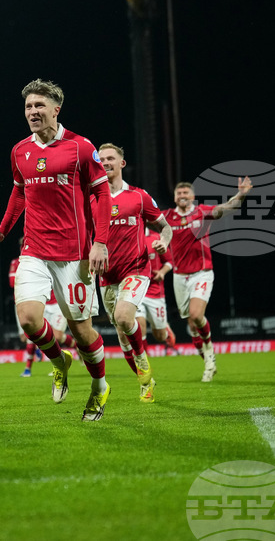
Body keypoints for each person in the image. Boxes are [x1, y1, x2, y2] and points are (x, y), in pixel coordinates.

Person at [0, 79, 113, 422]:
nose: (33, 112)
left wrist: (100, 242)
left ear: (57, 109)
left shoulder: (80, 147)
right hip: (34, 249)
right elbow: (19, 193)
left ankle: (99, 387)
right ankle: (59, 362)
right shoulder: (19, 151)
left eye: (39, 105)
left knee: (82, 332)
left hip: (74, 254)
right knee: (28, 319)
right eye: (28, 106)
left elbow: (102, 194)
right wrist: (2, 230)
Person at [95, 144, 172, 402]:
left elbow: (165, 226)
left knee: (124, 318)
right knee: (121, 333)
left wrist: (164, 241)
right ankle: (146, 381)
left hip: (136, 269)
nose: (105, 162)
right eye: (101, 159)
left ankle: (143, 362)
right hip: (106, 276)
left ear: (122, 163)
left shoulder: (139, 196)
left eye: (110, 158)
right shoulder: (91, 198)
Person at [162, 174, 252, 382]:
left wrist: (241, 195)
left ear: (193, 196)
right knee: (192, 325)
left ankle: (209, 351)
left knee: (196, 314)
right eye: (179, 193)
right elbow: (145, 219)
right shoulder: (166, 217)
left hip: (202, 272)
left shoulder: (202, 212)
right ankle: (209, 363)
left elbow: (228, 207)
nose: (182, 195)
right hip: (179, 276)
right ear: (174, 197)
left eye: (186, 192)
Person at [9, 237, 78, 377]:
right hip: (38, 303)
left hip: (57, 302)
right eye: (22, 244)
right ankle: (30, 367)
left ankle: (71, 353)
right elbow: (12, 282)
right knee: (29, 335)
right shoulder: (17, 263)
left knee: (56, 335)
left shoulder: (46, 259)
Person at [135, 228, 177, 354]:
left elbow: (169, 261)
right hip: (136, 289)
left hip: (155, 291)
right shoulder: (129, 237)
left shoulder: (156, 238)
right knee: (139, 325)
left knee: (160, 336)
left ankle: (165, 329)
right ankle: (143, 358)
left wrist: (162, 272)